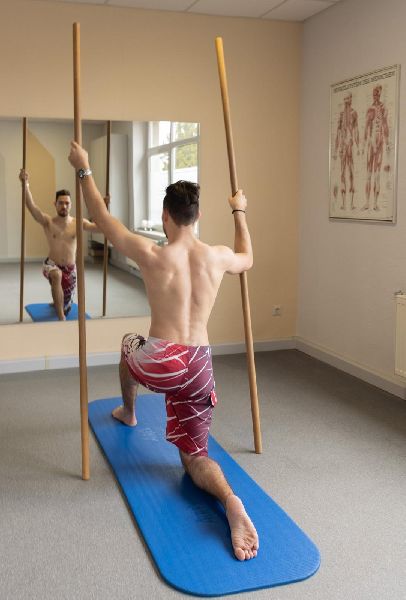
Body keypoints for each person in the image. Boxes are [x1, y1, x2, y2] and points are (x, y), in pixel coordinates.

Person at [68, 141, 259, 562]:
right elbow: (247, 257)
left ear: (165, 216)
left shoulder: (153, 254)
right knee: (195, 458)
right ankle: (230, 500)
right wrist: (239, 210)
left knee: (127, 343)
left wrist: (83, 169)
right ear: (198, 216)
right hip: (201, 366)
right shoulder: (217, 257)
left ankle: (129, 411)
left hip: (162, 361)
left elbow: (102, 220)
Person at [19, 170, 100, 320]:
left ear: (71, 205)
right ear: (55, 204)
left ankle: (59, 304)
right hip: (51, 264)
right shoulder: (48, 221)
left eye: (67, 203)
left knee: (65, 303)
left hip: (70, 268)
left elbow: (98, 227)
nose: (64, 206)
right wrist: (25, 184)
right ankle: (61, 317)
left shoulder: (78, 222)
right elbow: (31, 206)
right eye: (61, 203)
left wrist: (103, 208)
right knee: (56, 275)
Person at [362, 84, 390, 211]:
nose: (375, 96)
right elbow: (366, 127)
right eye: (374, 94)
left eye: (377, 94)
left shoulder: (384, 108)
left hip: (379, 144)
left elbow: (385, 125)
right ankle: (367, 202)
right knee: (368, 174)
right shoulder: (370, 109)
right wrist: (364, 145)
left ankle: (375, 203)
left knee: (377, 174)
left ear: (380, 94)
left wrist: (387, 142)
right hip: (371, 144)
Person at [333, 92, 360, 210]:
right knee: (342, 173)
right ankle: (344, 204)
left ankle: (352, 203)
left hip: (350, 147)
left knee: (351, 173)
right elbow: (338, 133)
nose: (346, 101)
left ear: (351, 99)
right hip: (342, 148)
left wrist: (358, 146)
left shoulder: (354, 113)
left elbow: (356, 131)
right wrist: (335, 150)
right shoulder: (341, 114)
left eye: (347, 99)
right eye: (344, 99)